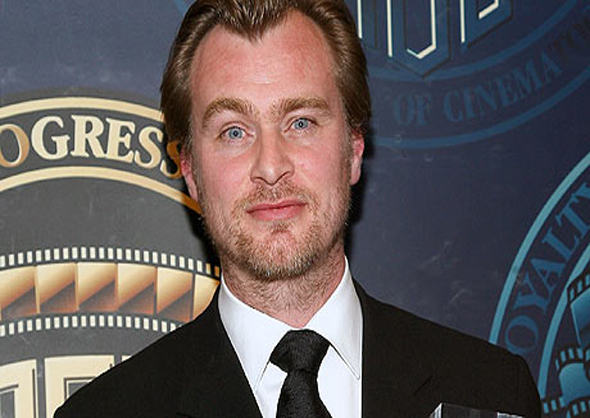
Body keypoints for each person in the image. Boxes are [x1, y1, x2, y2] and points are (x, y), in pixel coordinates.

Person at [55, 0, 541, 417]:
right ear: (191, 172)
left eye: (301, 122)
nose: (270, 166)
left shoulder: (490, 390)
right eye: (234, 131)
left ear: (354, 148)